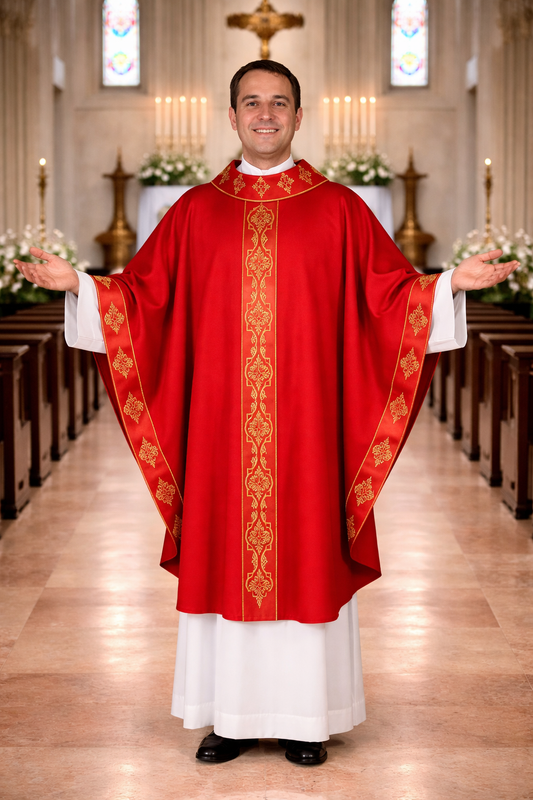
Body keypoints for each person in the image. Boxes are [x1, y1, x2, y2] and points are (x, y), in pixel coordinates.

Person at [15, 60, 518, 767]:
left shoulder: (340, 208)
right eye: (251, 103)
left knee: (304, 549)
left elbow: (387, 299)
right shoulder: (193, 210)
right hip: (221, 430)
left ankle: (305, 717)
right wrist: (84, 288)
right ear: (231, 117)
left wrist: (444, 287)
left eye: (278, 103)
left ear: (297, 116)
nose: (264, 114)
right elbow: (145, 301)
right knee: (227, 550)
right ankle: (229, 715)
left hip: (307, 430)